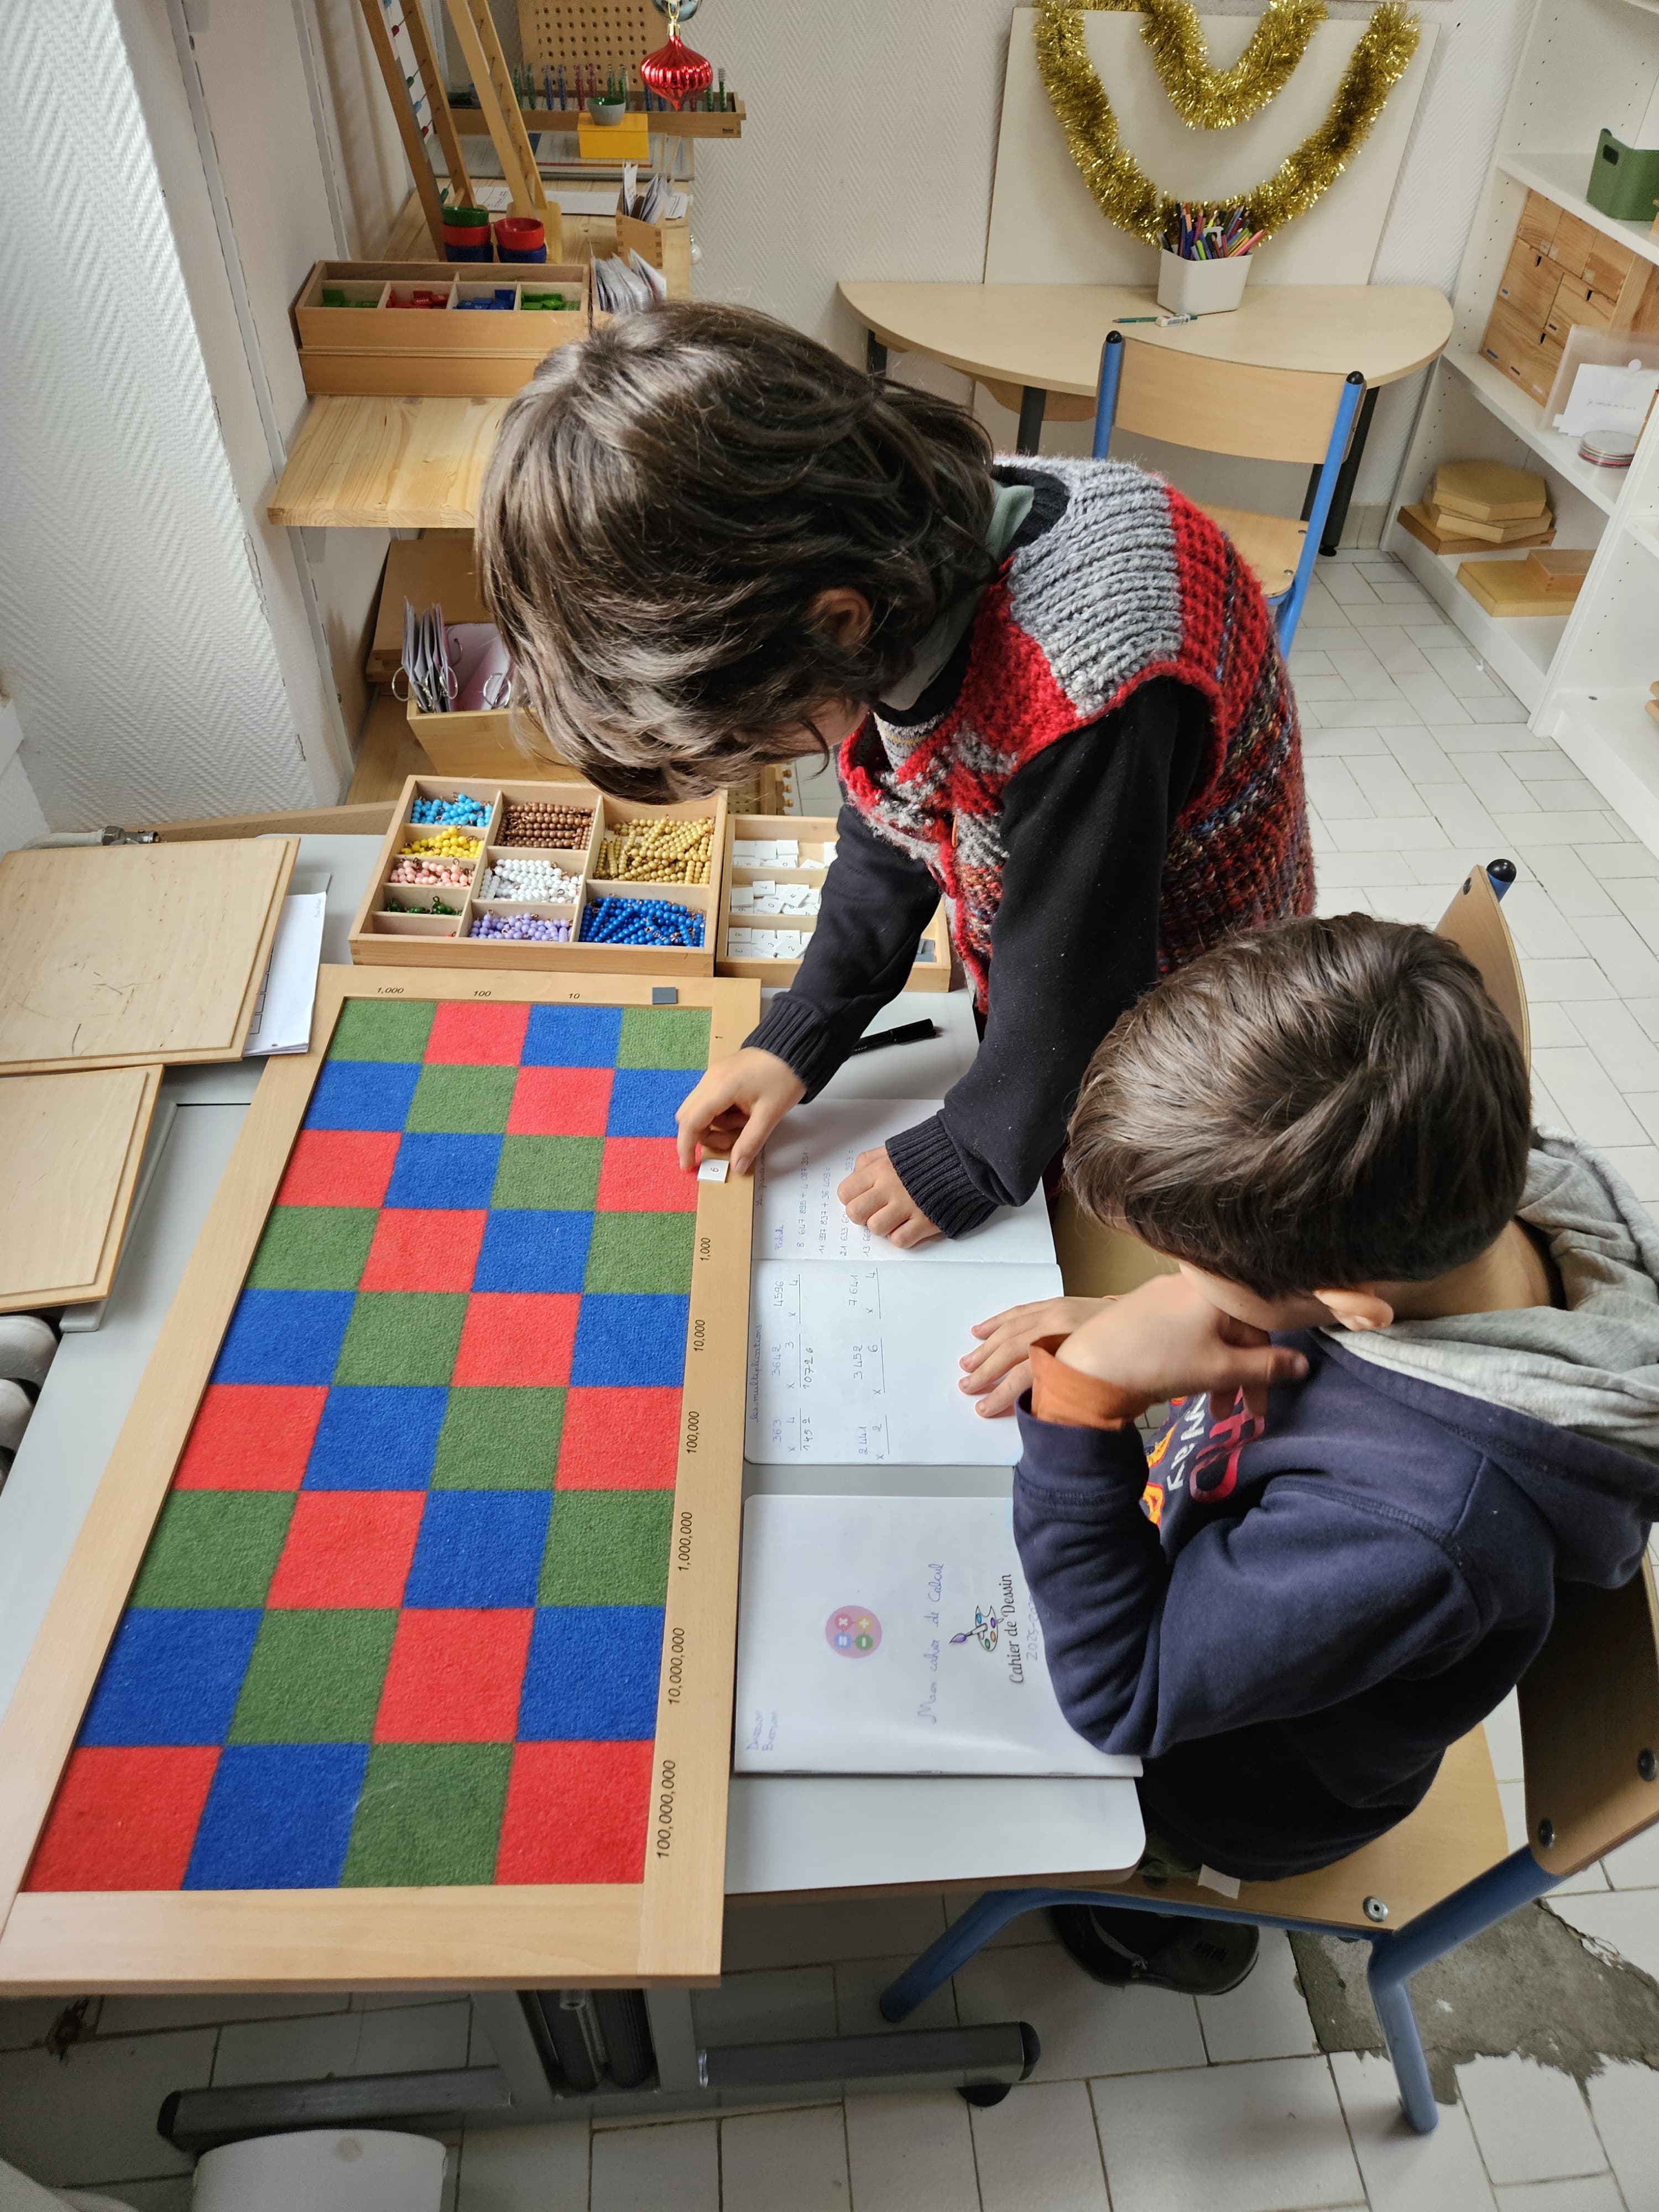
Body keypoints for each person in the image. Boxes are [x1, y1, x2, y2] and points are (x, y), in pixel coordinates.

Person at [477, 303, 1311, 1243]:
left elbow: (1082, 989)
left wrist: (971, 1154)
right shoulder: (901, 563)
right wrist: (809, 1026)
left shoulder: (1086, 689)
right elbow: (895, 820)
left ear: (836, 623)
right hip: (1072, 945)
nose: (790, 754)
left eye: (759, 734)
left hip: (1195, 1021)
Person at [969, 912, 1659, 1996]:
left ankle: (1153, 1928)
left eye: (1194, 1265)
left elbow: (1122, 1696)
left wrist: (1082, 1395)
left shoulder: (1420, 1532)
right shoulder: (1480, 1168)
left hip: (1231, 1782)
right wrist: (1144, 1311)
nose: (1173, 1283)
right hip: (1244, 1568)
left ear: (1348, 1307)